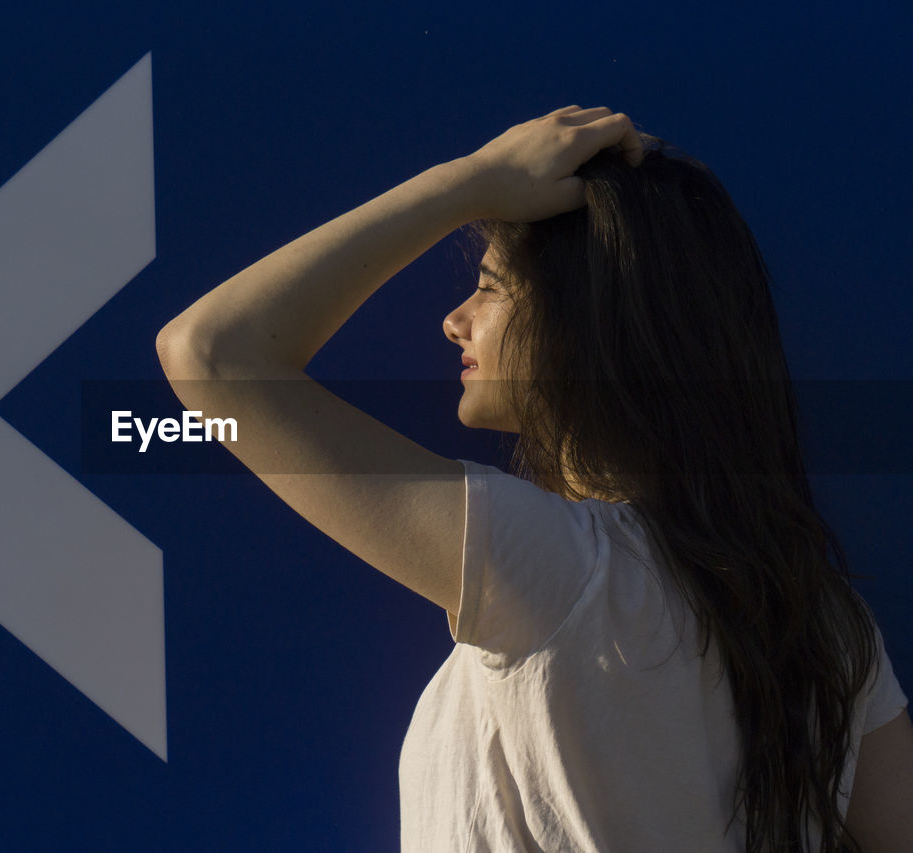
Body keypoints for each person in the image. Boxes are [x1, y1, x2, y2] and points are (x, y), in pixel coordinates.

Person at [154, 105, 913, 851]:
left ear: (586, 314)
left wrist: (470, 182)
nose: (456, 320)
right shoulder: (826, 623)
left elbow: (212, 354)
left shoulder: (556, 566)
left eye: (490, 286)